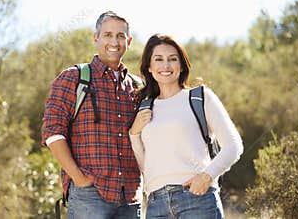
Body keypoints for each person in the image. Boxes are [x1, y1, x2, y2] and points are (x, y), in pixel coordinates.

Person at [129, 34, 244, 219]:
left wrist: (207, 177)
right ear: (149, 67)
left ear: (181, 65)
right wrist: (134, 134)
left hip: (196, 199)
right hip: (156, 205)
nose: (166, 65)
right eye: (158, 59)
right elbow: (146, 167)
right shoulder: (144, 107)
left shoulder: (200, 97)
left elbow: (234, 145)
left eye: (172, 59)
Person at [41, 11, 141, 219]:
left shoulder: (137, 86)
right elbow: (52, 133)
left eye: (121, 36)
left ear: (129, 41)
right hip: (89, 195)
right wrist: (79, 179)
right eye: (108, 35)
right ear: (96, 38)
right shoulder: (74, 77)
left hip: (131, 197)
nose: (114, 41)